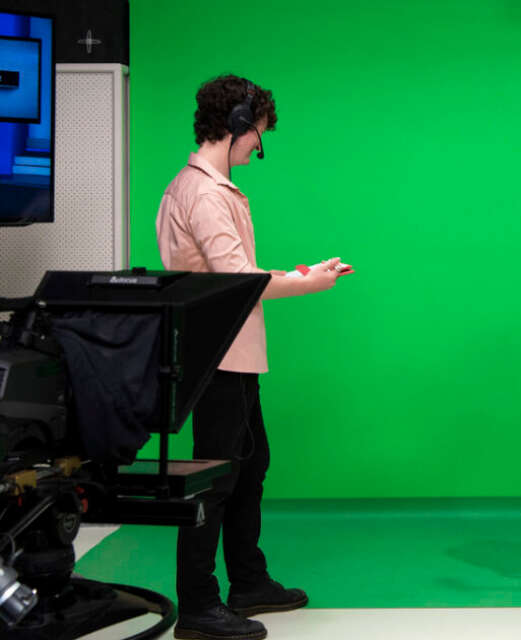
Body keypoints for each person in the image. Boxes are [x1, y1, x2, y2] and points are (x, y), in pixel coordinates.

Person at [156, 74, 346, 640]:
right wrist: (310, 280)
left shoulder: (203, 188)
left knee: (249, 465)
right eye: (257, 135)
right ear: (237, 125)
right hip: (218, 356)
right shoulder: (205, 193)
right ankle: (197, 605)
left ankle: (248, 580)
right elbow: (238, 277)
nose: (257, 148)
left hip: (230, 353)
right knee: (214, 479)